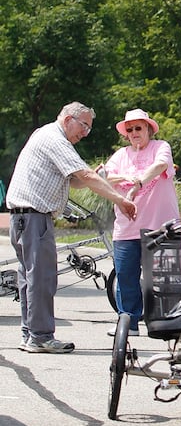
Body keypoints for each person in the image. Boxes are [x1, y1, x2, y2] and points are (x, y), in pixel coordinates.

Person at [6, 102, 137, 354]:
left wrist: (99, 177)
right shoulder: (55, 139)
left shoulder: (45, 135)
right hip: (34, 218)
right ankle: (40, 336)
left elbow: (77, 182)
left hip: (24, 218)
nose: (85, 133)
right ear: (68, 119)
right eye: (84, 125)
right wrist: (120, 199)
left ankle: (30, 334)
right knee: (42, 279)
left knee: (29, 279)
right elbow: (85, 177)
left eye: (89, 128)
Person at [99, 108, 180, 337]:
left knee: (163, 277)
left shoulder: (160, 147)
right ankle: (129, 322)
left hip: (160, 227)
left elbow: (160, 166)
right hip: (127, 228)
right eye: (130, 129)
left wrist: (139, 183)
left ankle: (164, 322)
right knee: (125, 277)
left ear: (148, 129)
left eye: (139, 127)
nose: (134, 132)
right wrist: (127, 179)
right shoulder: (120, 155)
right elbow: (104, 175)